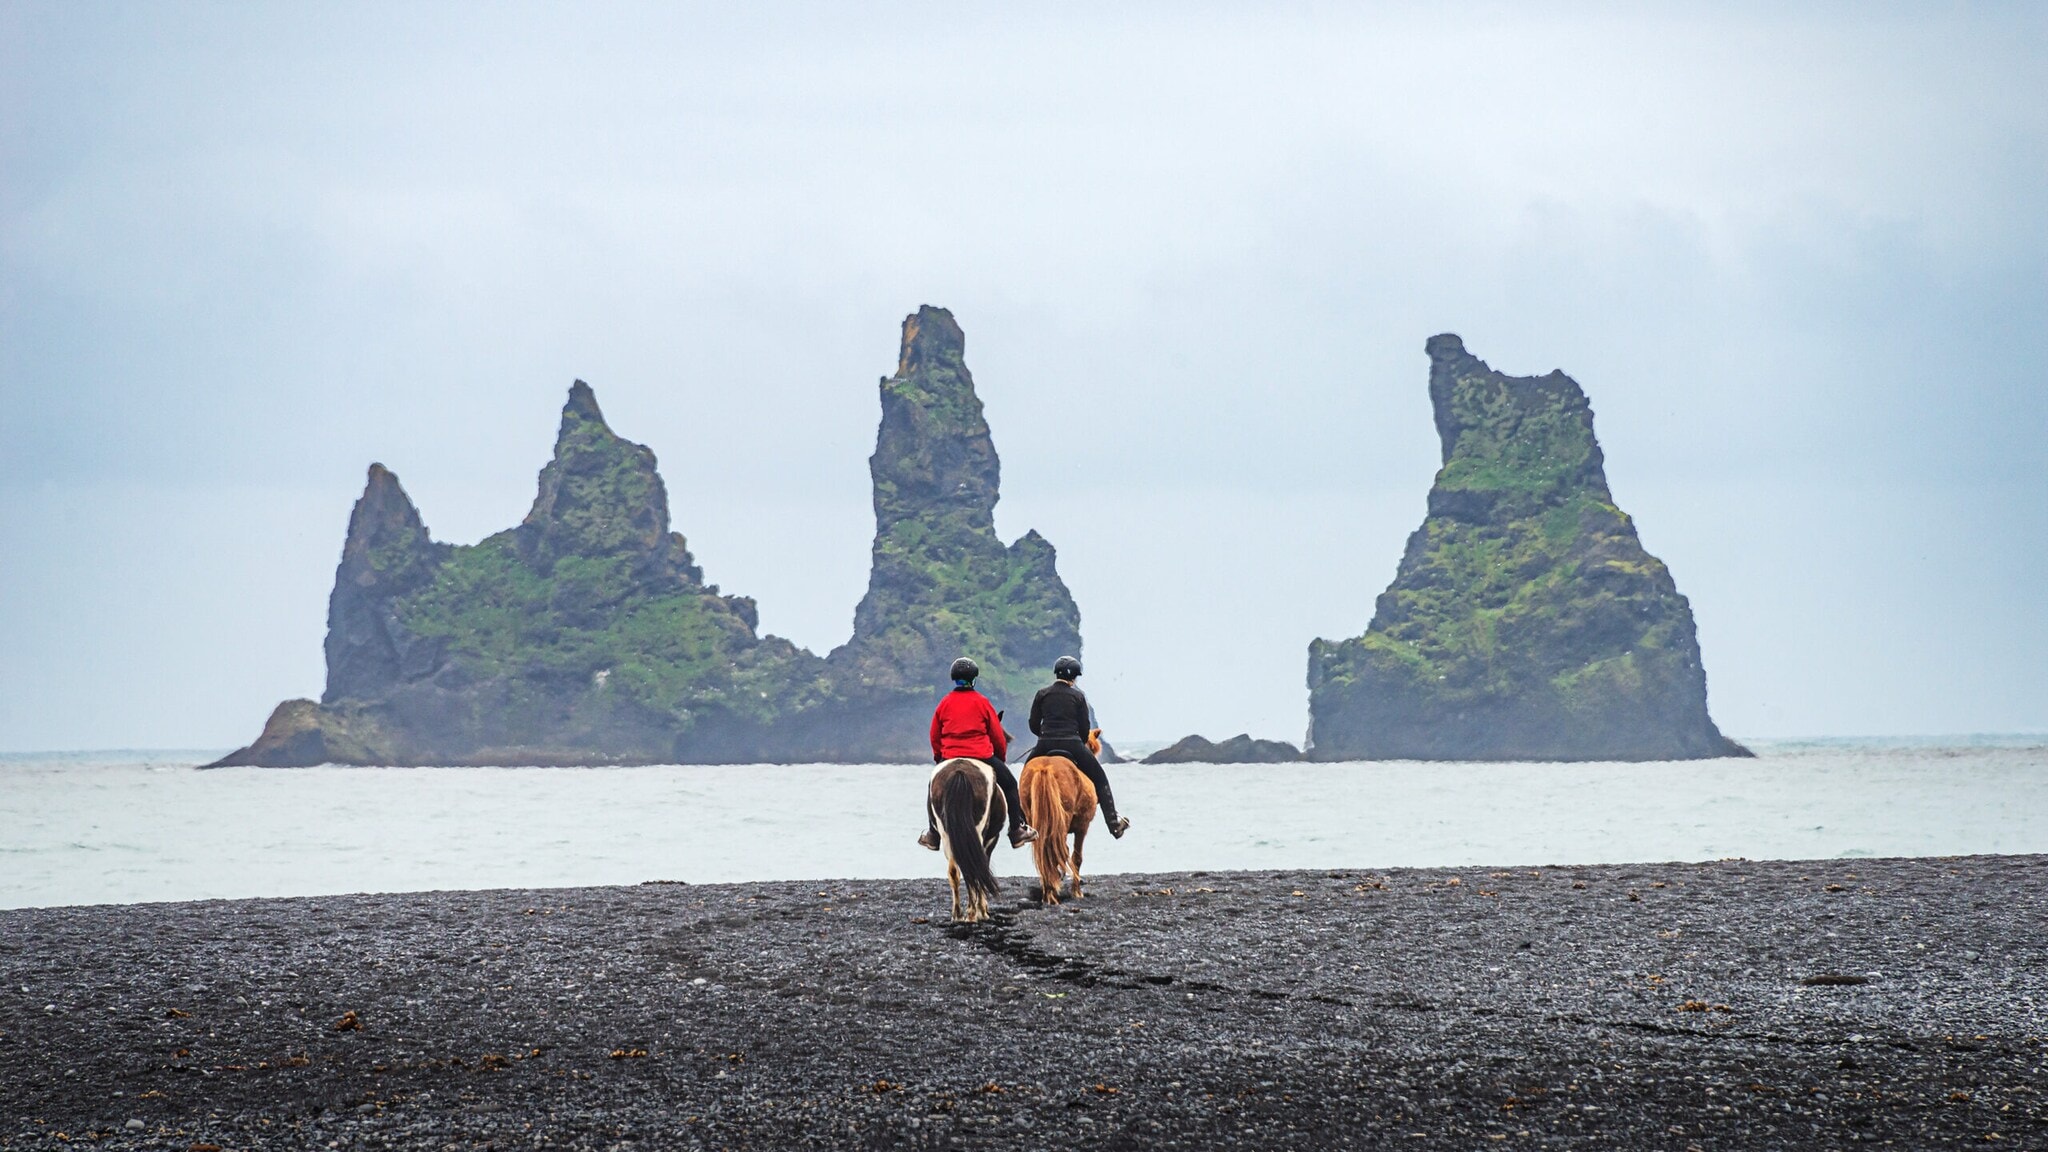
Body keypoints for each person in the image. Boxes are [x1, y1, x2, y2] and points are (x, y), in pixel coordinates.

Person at [919, 657, 1037, 851]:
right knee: (1010, 785)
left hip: (950, 755)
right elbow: (997, 736)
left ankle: (933, 834)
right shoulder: (982, 702)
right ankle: (1016, 831)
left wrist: (940, 758)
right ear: (973, 679)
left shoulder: (944, 703)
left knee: (932, 785)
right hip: (981, 755)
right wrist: (1000, 757)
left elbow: (934, 735)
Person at [1024, 655, 1130, 837]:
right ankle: (1114, 824)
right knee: (1100, 778)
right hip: (1073, 744)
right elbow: (1084, 728)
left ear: (1056, 673)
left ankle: (1021, 825)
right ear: (1074, 677)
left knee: (1024, 778)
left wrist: (1044, 736)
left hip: (1045, 743)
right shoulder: (1078, 696)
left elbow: (1034, 723)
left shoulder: (1042, 694)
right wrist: (1077, 741)